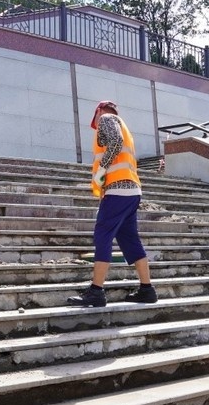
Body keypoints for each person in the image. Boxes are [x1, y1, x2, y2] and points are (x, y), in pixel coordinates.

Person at [67, 100, 157, 308]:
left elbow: (114, 143)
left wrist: (101, 170)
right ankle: (147, 289)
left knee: (103, 235)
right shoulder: (124, 127)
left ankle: (96, 291)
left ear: (99, 111)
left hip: (117, 190)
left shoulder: (107, 119)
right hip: (132, 190)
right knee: (130, 240)